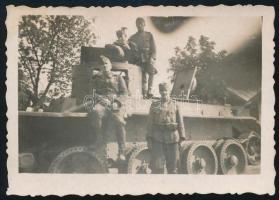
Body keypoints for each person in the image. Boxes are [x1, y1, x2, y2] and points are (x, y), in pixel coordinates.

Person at [87, 55, 128, 161]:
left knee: (119, 120)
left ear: (110, 65)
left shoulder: (118, 77)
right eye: (102, 65)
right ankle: (99, 140)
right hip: (102, 103)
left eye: (106, 64)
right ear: (100, 67)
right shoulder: (95, 78)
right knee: (95, 112)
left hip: (115, 104)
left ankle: (122, 150)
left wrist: (117, 102)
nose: (104, 66)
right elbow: (92, 93)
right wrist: (101, 100)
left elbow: (124, 93)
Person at [146, 82, 188, 174]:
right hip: (158, 138)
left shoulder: (176, 105)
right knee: (157, 167)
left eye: (165, 90)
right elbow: (150, 123)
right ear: (159, 92)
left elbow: (180, 122)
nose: (164, 93)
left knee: (173, 167)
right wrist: (149, 139)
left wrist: (182, 138)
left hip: (173, 138)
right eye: (162, 91)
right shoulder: (154, 105)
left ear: (169, 91)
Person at [129, 17, 157, 98]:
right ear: (136, 25)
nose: (139, 25)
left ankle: (150, 90)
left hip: (148, 58)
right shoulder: (133, 37)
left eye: (141, 24)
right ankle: (144, 93)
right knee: (142, 76)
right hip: (138, 60)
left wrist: (152, 58)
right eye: (138, 24)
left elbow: (154, 49)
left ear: (144, 24)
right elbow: (129, 49)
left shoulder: (149, 35)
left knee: (152, 72)